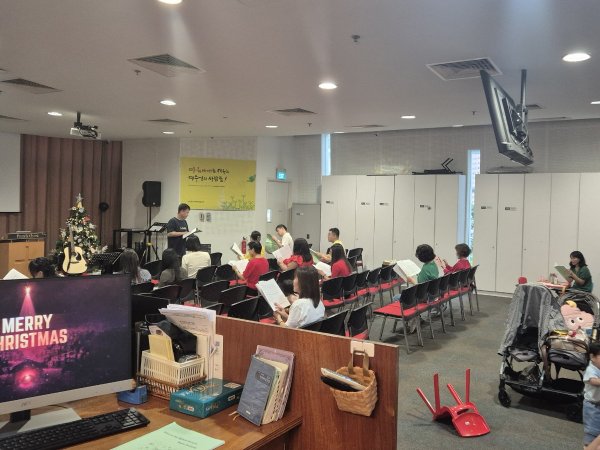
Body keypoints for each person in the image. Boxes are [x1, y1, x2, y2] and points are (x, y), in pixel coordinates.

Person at [584, 343, 600, 448]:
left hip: (598, 403)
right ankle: (588, 446)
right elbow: (594, 381)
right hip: (592, 406)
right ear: (592, 357)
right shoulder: (591, 369)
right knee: (592, 432)